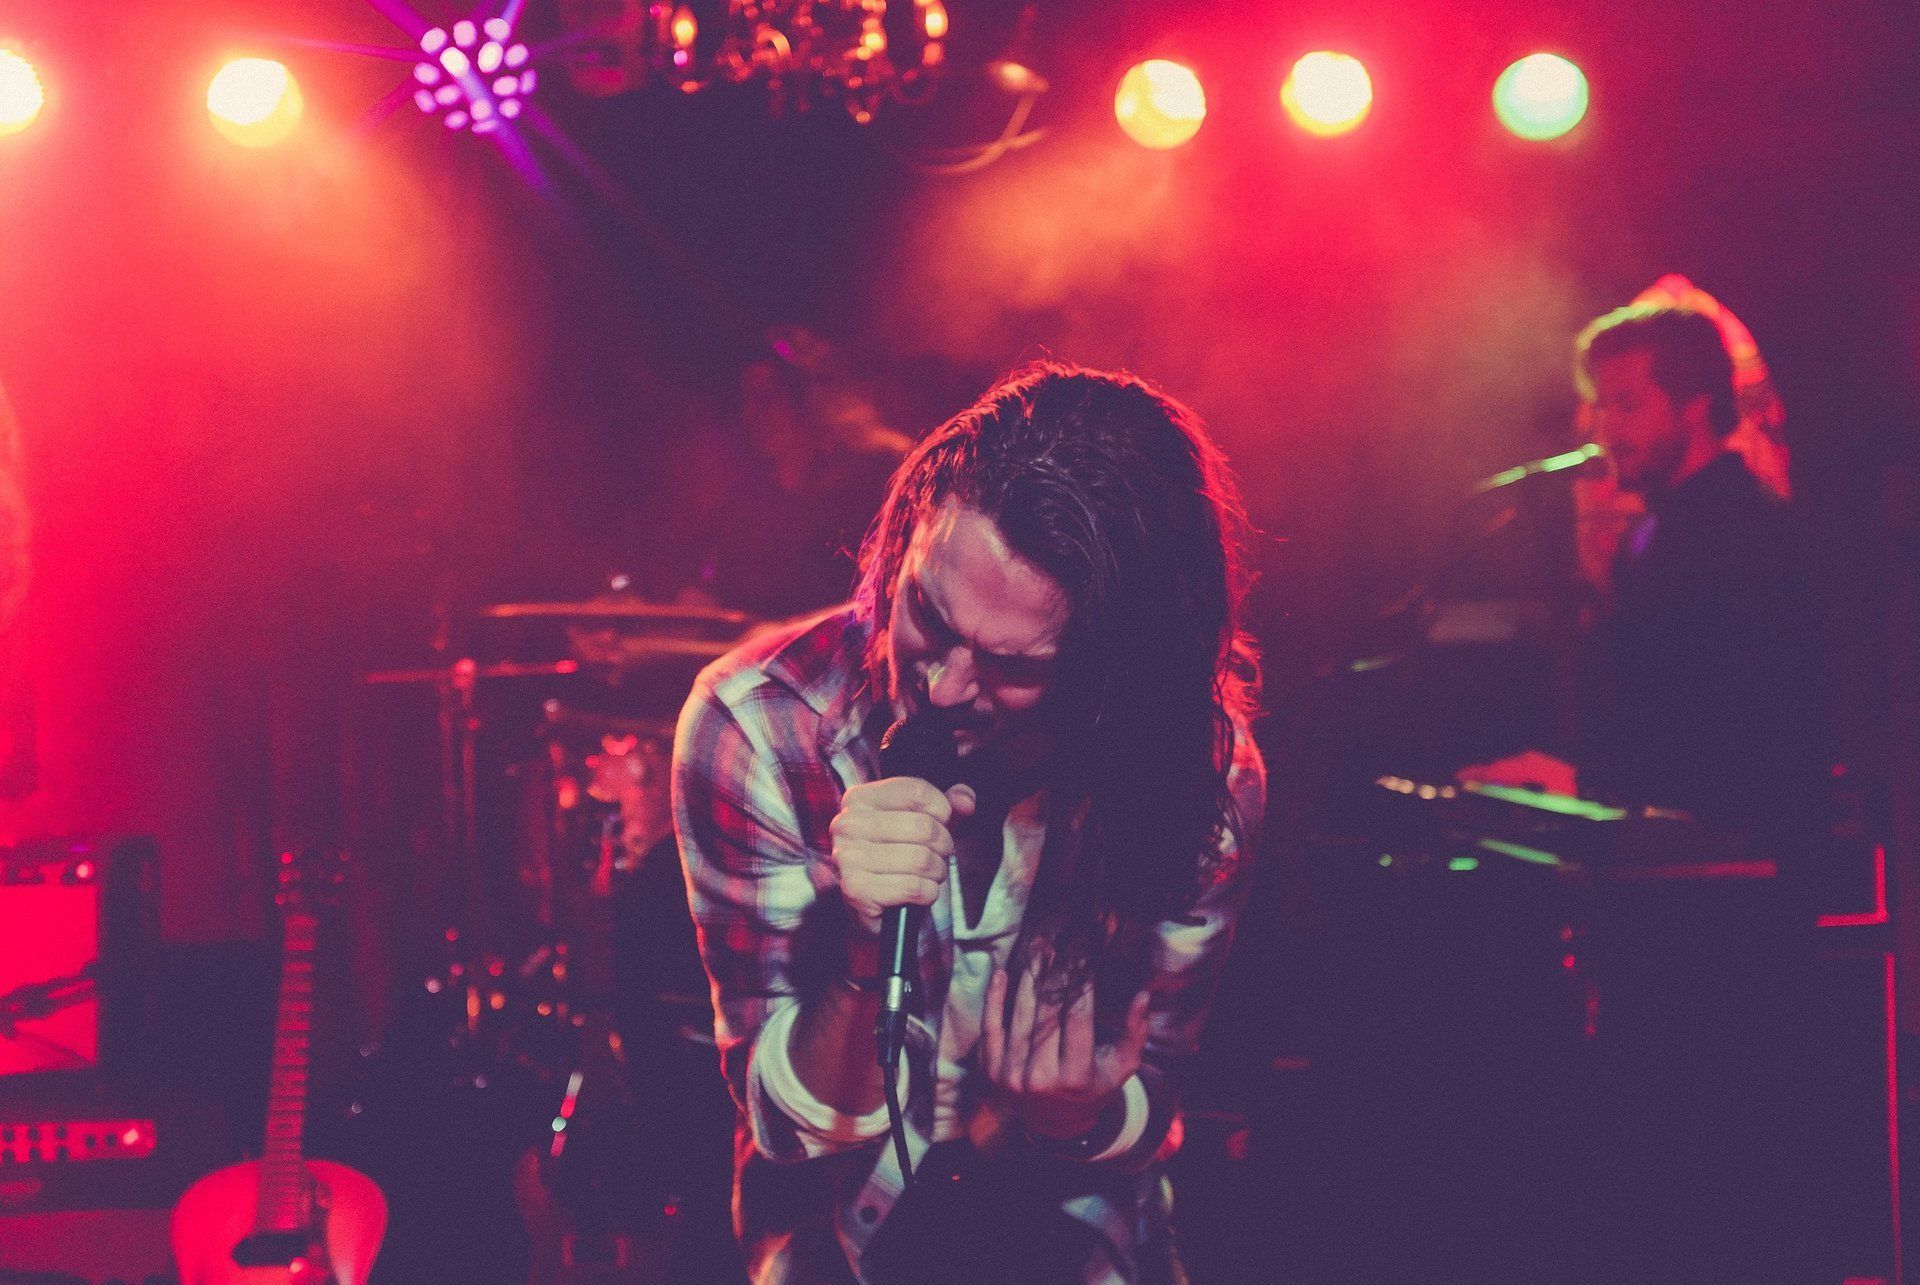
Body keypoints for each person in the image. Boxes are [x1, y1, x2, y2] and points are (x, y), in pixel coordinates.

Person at [671, 363, 1265, 1283]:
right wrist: (867, 958)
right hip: (839, 1248)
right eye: (925, 611)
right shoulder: (758, 726)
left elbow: (1160, 1084)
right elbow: (784, 1130)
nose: (944, 685)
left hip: (1077, 1242)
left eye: (1015, 664)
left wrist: (1079, 1115)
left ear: (1117, 669)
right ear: (904, 541)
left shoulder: (1200, 773)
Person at [1463, 301, 1824, 840]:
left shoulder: (1749, 533)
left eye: (1627, 405)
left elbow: (1735, 739)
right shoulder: (1656, 532)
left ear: (1694, 407)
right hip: (1665, 851)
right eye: (1602, 408)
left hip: (1731, 872)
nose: (1607, 429)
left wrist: (1583, 780)